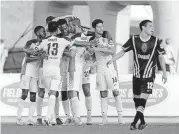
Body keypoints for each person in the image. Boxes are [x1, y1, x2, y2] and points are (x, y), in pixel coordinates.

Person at [107, 20, 167, 130]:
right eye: (150, 26)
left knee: (143, 100)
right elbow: (122, 52)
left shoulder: (156, 41)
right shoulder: (134, 39)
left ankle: (134, 123)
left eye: (152, 26)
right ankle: (142, 122)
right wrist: (111, 60)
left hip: (149, 75)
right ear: (143, 27)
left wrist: (164, 72)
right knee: (137, 100)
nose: (152, 28)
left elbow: (161, 57)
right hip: (136, 75)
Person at [88, 19, 124, 125]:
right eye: (99, 27)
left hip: (109, 69)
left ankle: (120, 117)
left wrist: (98, 49)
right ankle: (104, 118)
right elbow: (90, 54)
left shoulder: (107, 37)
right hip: (100, 70)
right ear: (94, 28)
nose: (101, 28)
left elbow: (113, 51)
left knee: (116, 92)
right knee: (103, 93)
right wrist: (91, 48)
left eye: (102, 26)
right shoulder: (92, 40)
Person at [36, 21, 72, 126]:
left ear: (49, 30)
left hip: (45, 70)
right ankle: (48, 117)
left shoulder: (44, 41)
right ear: (57, 30)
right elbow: (72, 45)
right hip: (56, 70)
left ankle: (51, 119)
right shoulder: (62, 41)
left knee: (50, 94)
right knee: (54, 94)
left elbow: (36, 49)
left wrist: (41, 53)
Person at [16, 26, 46, 125]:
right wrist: (39, 56)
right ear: (37, 33)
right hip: (27, 71)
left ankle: (29, 119)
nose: (45, 33)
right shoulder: (30, 43)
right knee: (24, 94)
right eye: (43, 31)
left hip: (36, 73)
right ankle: (19, 118)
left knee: (33, 96)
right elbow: (28, 59)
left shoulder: (45, 43)